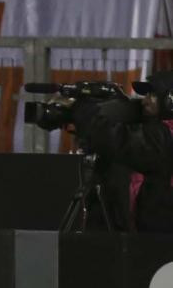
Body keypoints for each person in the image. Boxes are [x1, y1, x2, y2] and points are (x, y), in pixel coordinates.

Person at [68, 70, 173, 233]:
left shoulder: (165, 135)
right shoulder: (159, 133)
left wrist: (88, 117)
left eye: (152, 95)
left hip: (160, 244)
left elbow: (121, 142)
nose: (144, 102)